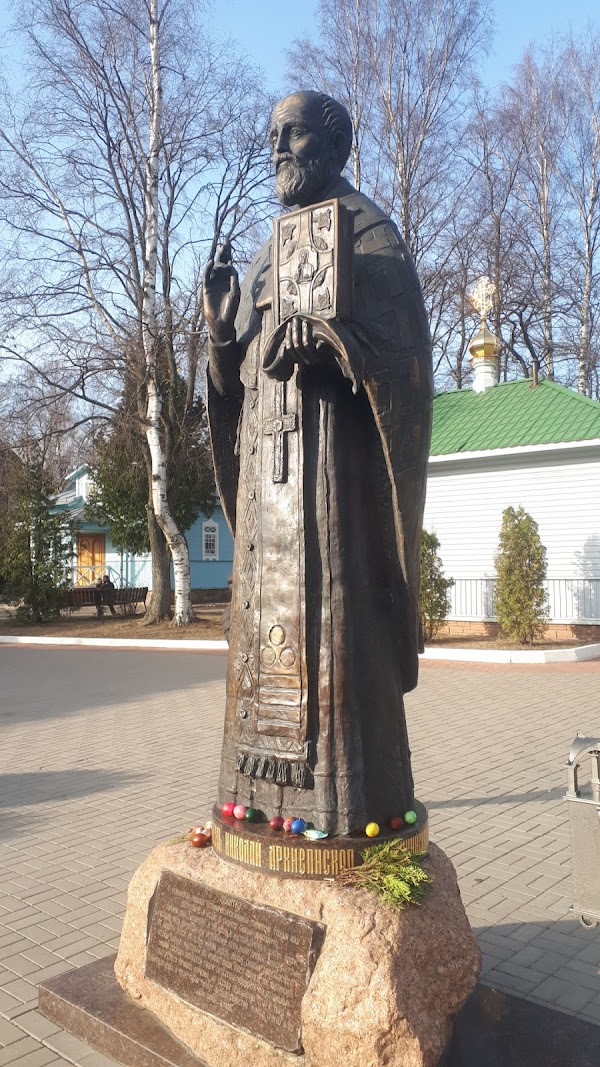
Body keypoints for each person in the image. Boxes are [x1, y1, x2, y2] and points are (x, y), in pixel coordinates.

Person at [203, 91, 432, 836]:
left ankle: (338, 811)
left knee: (331, 638)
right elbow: (234, 384)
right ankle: (255, 801)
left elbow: (405, 369)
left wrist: (339, 346)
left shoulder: (368, 234)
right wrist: (220, 336)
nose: (277, 148)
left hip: (332, 491)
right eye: (272, 135)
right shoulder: (267, 253)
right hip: (267, 489)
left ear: (333, 144)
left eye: (292, 134)